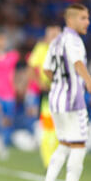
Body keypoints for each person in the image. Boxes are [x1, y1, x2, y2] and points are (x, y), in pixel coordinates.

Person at [40, 3, 91, 181]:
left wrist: (59, 84)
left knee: (65, 143)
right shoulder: (73, 40)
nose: (88, 22)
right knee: (79, 145)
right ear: (70, 20)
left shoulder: (56, 40)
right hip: (73, 101)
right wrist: (89, 82)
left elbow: (47, 70)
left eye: (88, 17)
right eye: (83, 18)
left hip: (55, 100)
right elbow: (77, 63)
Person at [26, 26, 61, 169]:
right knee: (48, 128)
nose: (54, 37)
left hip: (62, 93)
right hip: (47, 93)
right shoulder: (41, 48)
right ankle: (48, 161)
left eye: (56, 35)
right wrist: (39, 83)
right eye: (51, 35)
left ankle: (55, 158)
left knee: (60, 129)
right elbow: (31, 67)